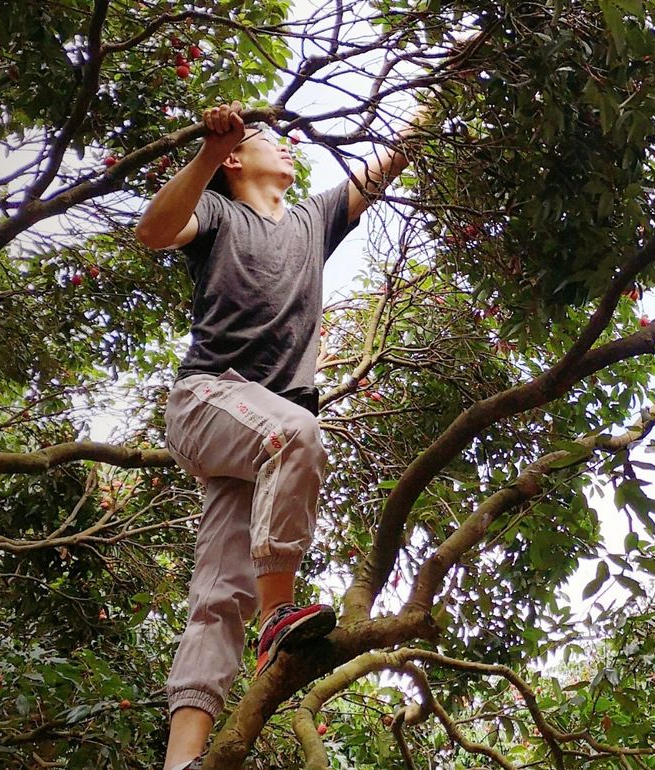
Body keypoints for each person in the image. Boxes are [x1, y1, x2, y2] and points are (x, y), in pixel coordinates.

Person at [134, 100, 425, 770]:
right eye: (270, 138)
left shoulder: (312, 220)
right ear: (235, 157)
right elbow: (153, 231)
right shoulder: (217, 213)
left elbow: (387, 164)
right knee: (298, 433)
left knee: (216, 600)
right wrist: (208, 148)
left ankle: (180, 763)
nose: (289, 145)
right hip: (209, 400)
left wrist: (449, 86)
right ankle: (279, 619)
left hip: (255, 437)